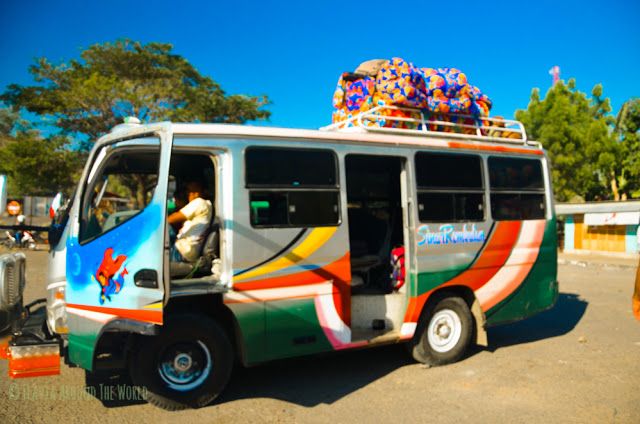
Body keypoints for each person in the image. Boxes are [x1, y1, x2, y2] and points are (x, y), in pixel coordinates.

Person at [168, 181, 213, 263]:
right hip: (184, 249)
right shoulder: (205, 205)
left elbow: (170, 219)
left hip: (182, 250)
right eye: (188, 191)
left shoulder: (200, 202)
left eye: (190, 191)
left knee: (164, 226)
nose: (189, 194)